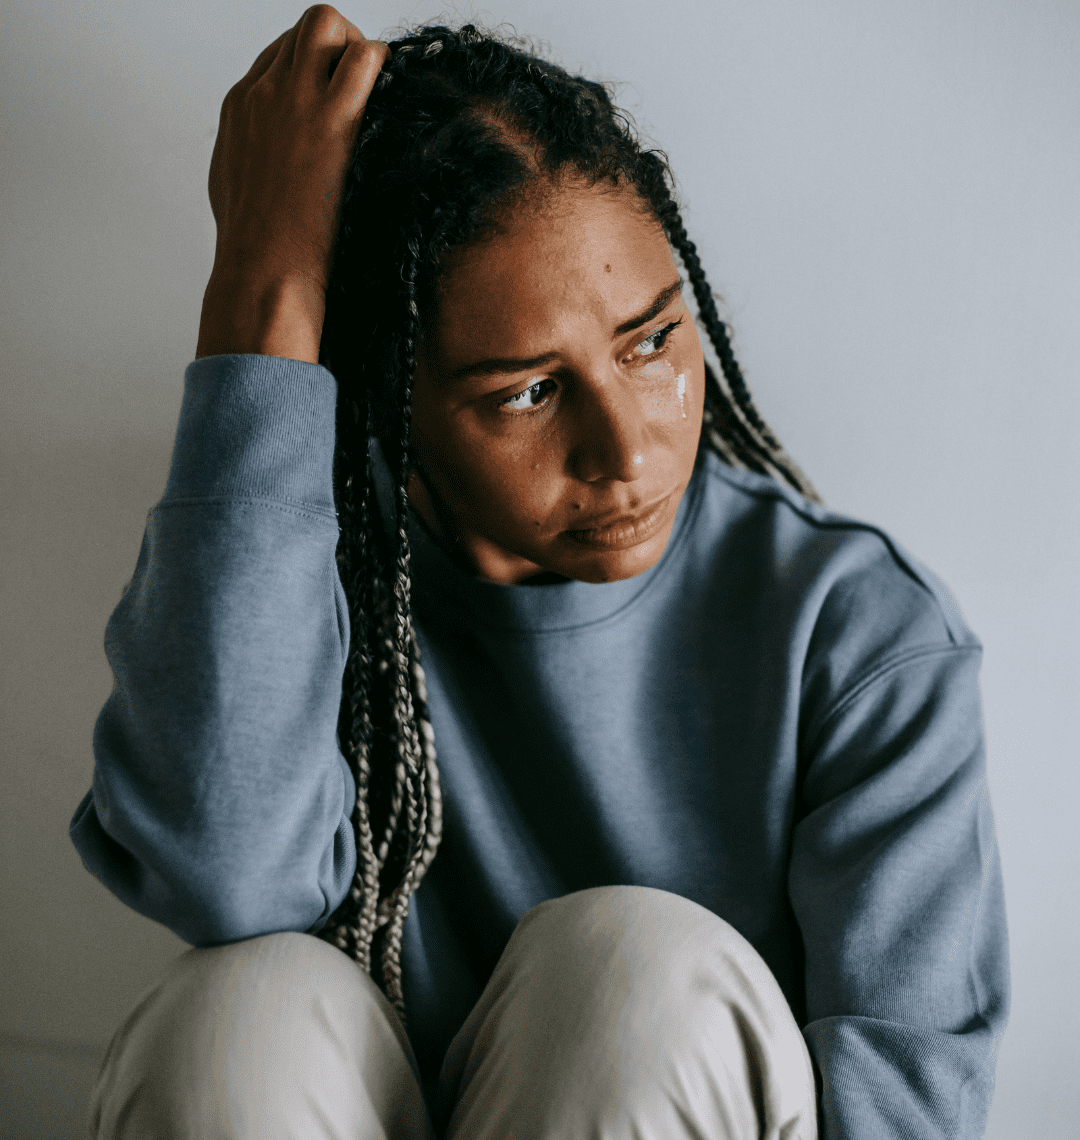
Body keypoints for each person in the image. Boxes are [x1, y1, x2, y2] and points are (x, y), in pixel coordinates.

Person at [71, 7, 1009, 1138]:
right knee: (233, 1012)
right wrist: (263, 295)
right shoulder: (306, 572)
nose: (628, 451)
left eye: (653, 340)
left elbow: (905, 1112)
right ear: (390, 403)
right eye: (526, 392)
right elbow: (225, 878)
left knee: (631, 975)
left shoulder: (855, 634)